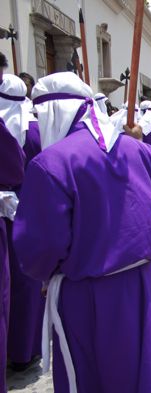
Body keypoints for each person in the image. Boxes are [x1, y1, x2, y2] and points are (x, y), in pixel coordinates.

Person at [12, 72, 151, 393]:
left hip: (84, 295)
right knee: (140, 376)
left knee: (90, 380)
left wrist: (43, 273)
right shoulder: (139, 150)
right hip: (141, 286)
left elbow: (38, 247)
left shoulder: (50, 163)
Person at [0, 73, 45, 373]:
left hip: (10, 212)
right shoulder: (34, 131)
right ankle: (24, 349)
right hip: (26, 209)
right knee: (26, 281)